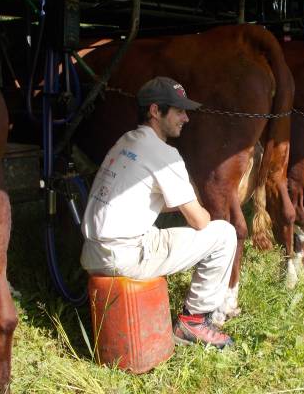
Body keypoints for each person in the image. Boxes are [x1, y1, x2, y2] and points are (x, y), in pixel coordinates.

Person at [81, 76, 237, 349]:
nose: (186, 118)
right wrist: (190, 197)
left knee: (155, 229)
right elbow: (200, 221)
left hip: (93, 251)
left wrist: (177, 198)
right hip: (124, 256)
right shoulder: (164, 154)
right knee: (223, 234)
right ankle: (194, 322)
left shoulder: (126, 141)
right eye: (179, 111)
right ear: (155, 111)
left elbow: (146, 198)